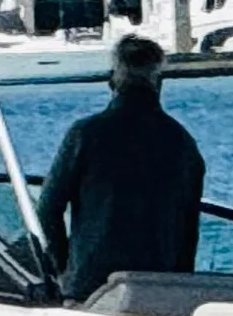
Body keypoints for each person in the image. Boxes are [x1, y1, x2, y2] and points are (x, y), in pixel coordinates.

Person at [36, 35, 206, 301]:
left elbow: (48, 209)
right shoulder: (183, 144)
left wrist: (63, 269)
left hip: (91, 286)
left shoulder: (85, 135)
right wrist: (179, 285)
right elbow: (188, 231)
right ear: (159, 83)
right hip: (157, 288)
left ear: (111, 80)